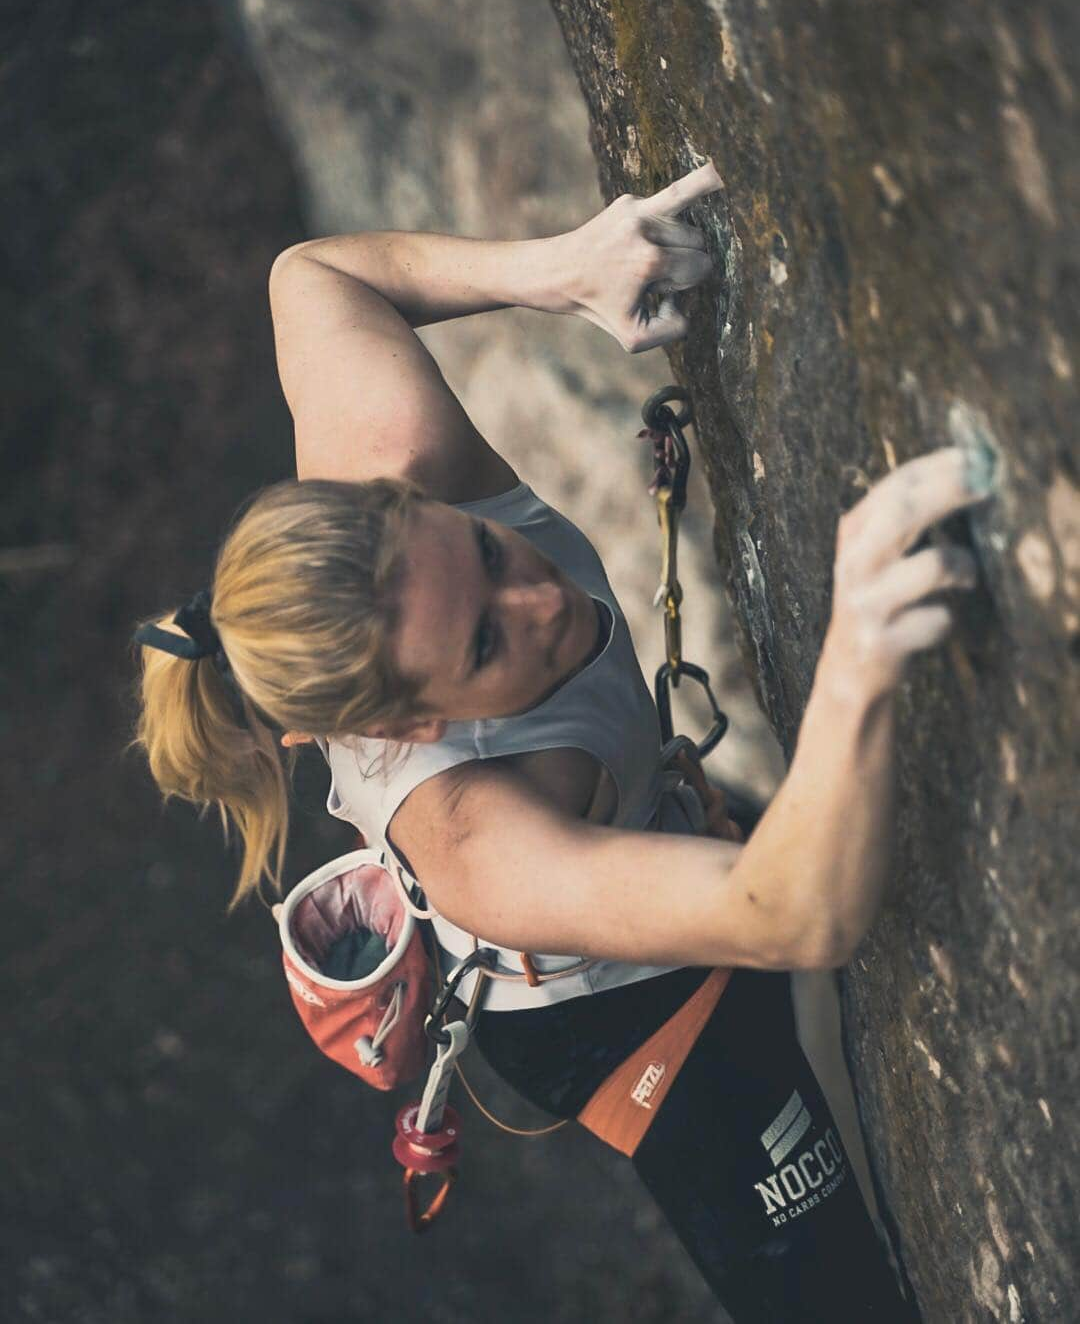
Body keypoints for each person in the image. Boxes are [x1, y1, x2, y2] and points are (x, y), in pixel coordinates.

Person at [131, 162, 993, 1319]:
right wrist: (859, 656)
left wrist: (558, 271)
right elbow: (801, 915)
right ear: (413, 724)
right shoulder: (475, 834)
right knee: (833, 1292)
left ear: (408, 497)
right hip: (631, 1019)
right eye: (488, 645)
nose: (543, 603)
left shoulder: (399, 468)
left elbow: (315, 275)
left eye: (487, 553)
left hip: (638, 832)